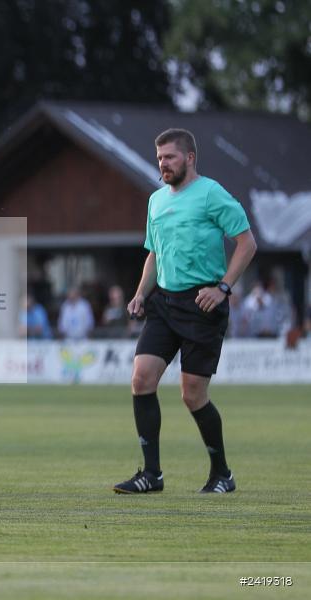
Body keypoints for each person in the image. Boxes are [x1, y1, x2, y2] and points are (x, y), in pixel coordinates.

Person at [114, 128, 256, 495]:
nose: (163, 163)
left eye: (170, 157)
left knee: (192, 394)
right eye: (160, 157)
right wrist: (140, 294)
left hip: (202, 304)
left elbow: (246, 244)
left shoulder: (212, 194)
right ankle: (152, 474)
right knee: (141, 379)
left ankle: (222, 473)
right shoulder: (156, 201)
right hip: (164, 302)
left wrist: (223, 288)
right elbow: (155, 253)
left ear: (189, 158)